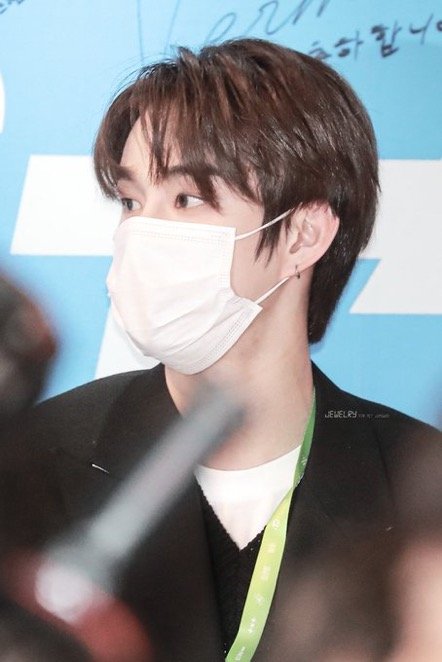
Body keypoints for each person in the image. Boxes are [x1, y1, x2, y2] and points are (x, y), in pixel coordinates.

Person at [14, 38, 441, 661]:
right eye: (132, 201)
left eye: (187, 200)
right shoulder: (28, 465)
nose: (143, 232)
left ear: (303, 234)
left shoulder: (417, 488)